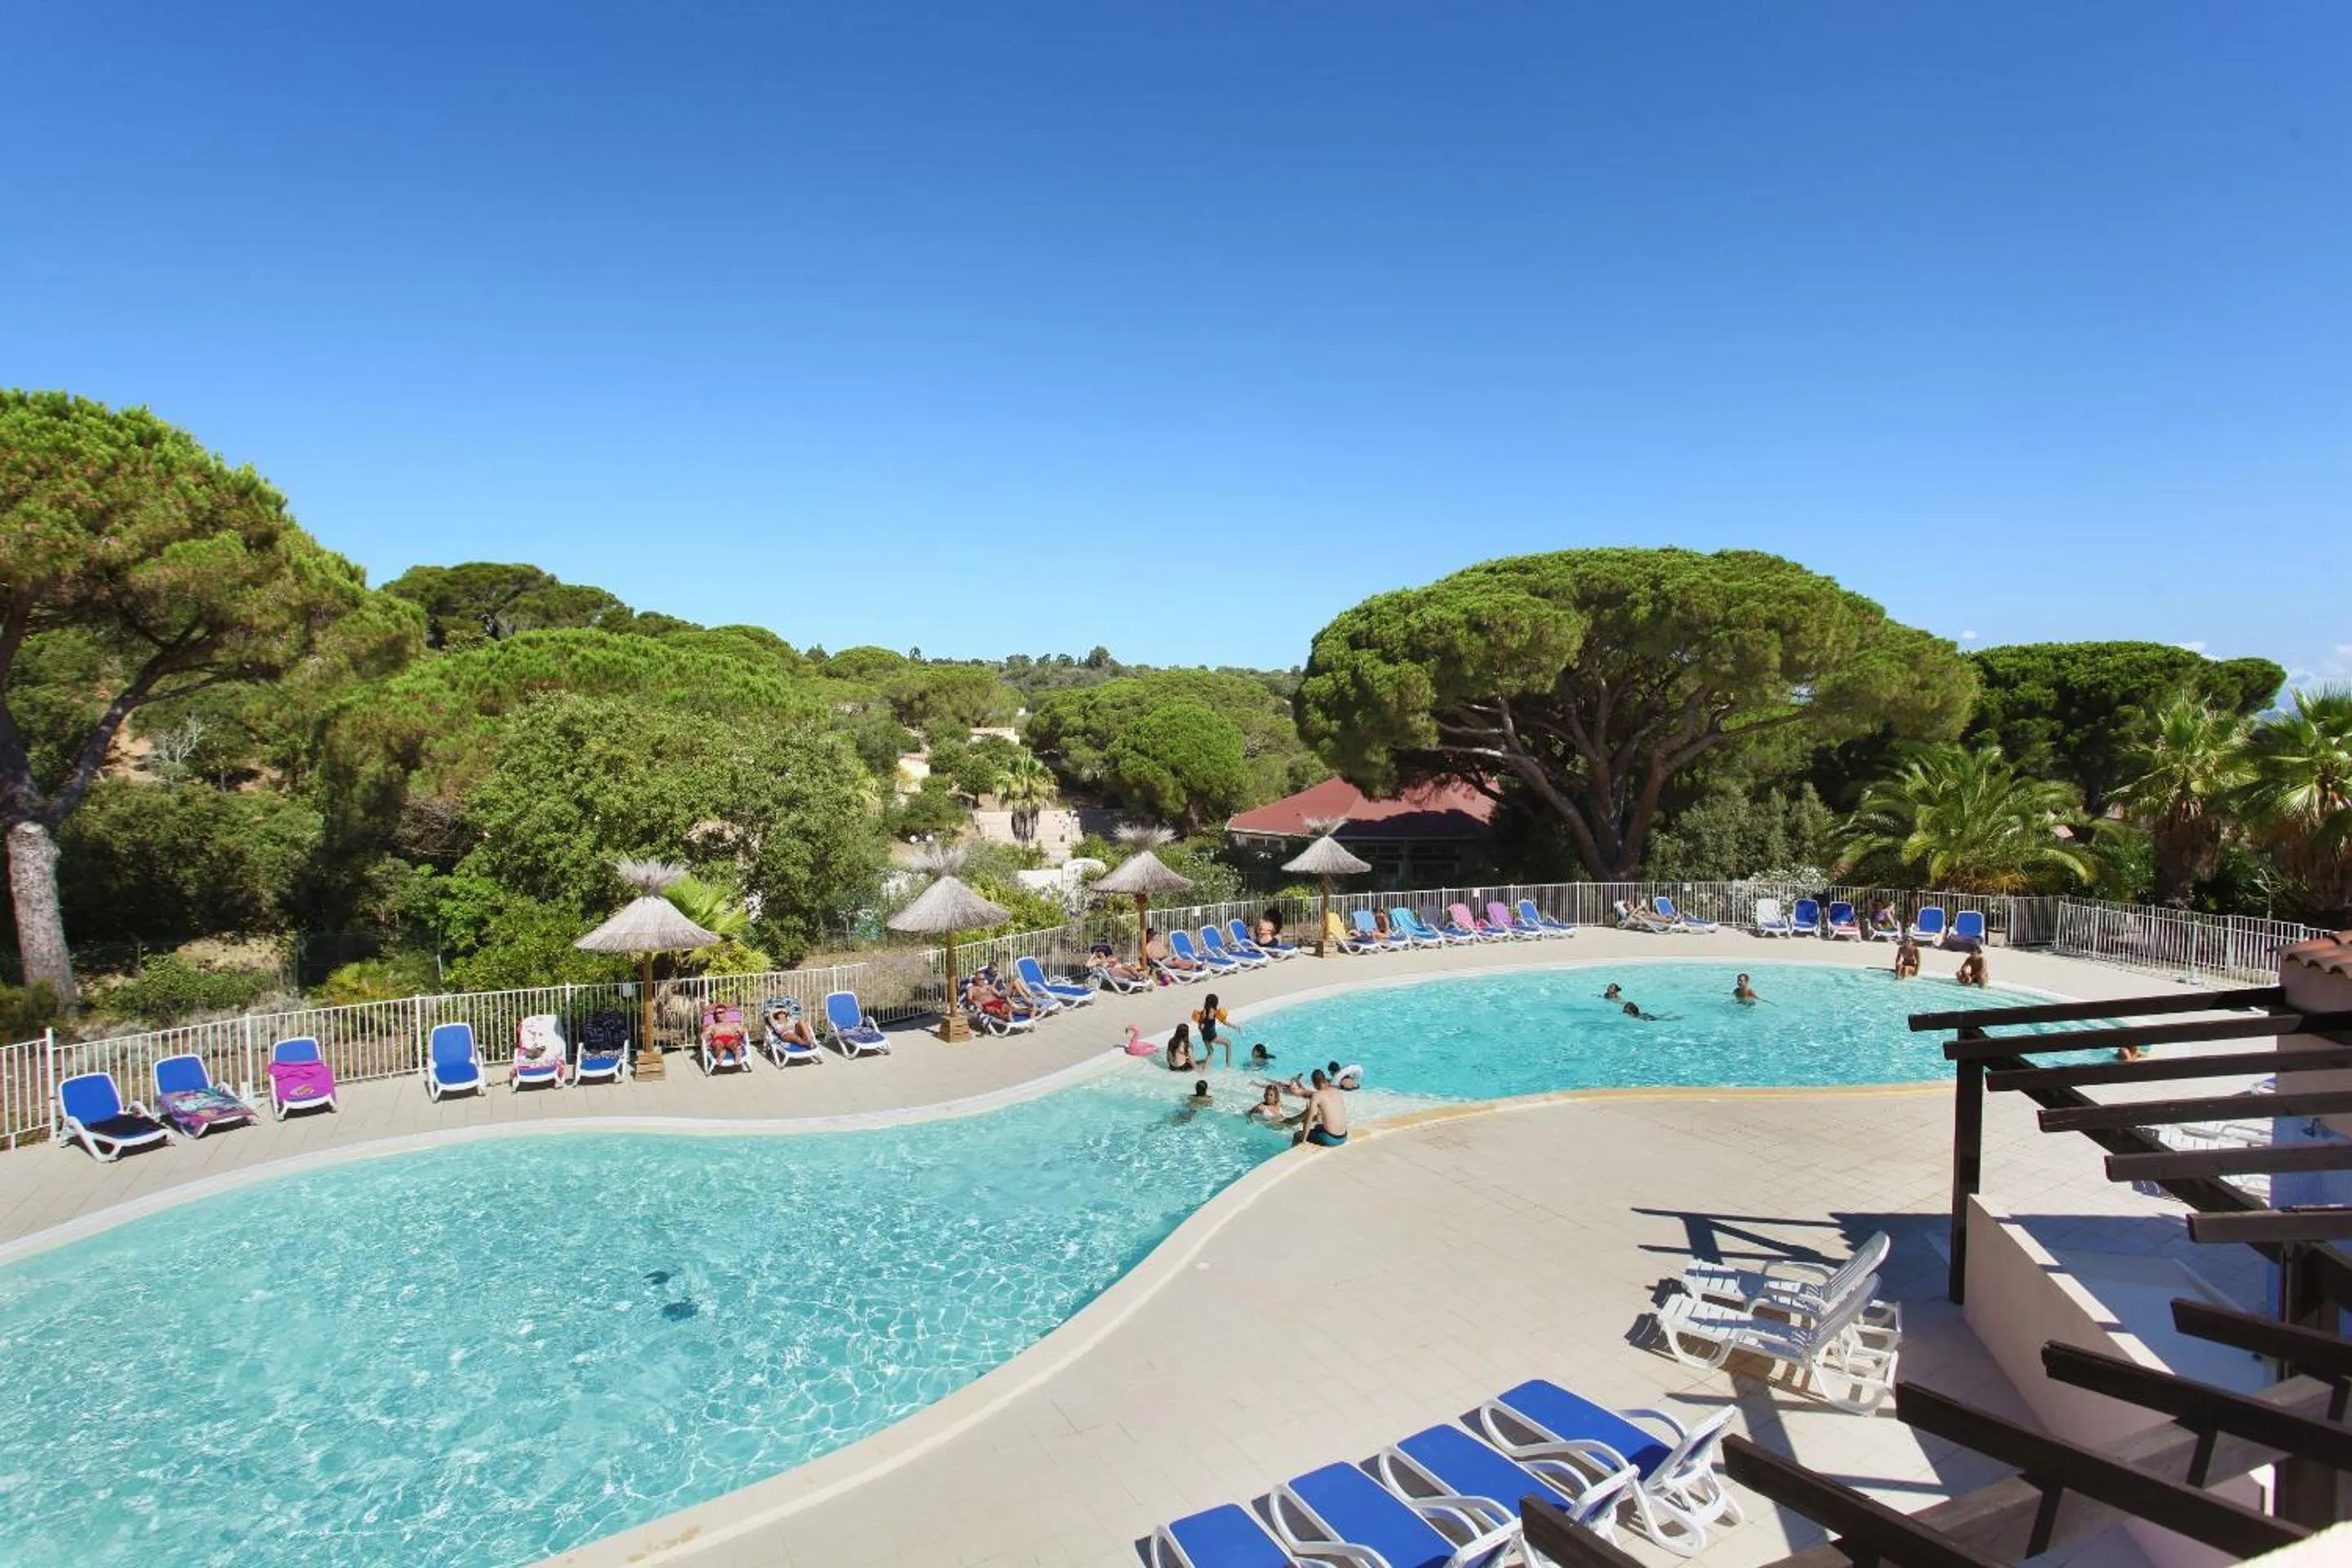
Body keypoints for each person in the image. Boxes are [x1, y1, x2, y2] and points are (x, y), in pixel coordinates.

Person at [1294, 1068, 1351, 1147]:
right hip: (1344, 1136)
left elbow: (1309, 1120)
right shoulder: (1336, 1091)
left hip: (1331, 1139)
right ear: (1324, 1079)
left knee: (1297, 1135)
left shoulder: (1317, 1095)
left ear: (1314, 1084)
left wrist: (1303, 1140)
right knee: (1318, 1127)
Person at [702, 1004, 748, 1068]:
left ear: (725, 1013)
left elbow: (743, 1031)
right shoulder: (712, 1026)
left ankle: (737, 1051)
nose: (718, 1015)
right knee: (718, 1045)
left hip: (730, 1038)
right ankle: (721, 1053)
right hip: (717, 1039)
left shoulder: (734, 1024)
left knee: (734, 1043)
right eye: (716, 1013)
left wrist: (742, 1032)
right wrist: (705, 1036)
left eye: (720, 1012)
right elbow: (704, 1035)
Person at [1193, 995, 1231, 1065]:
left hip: (1205, 1036)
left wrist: (1203, 1036)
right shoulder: (1214, 1012)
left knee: (1210, 1053)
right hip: (1212, 1036)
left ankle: (1204, 1071)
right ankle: (1228, 1065)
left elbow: (1200, 1027)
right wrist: (1235, 1026)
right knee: (1228, 1043)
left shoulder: (1203, 1012)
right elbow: (1224, 1022)